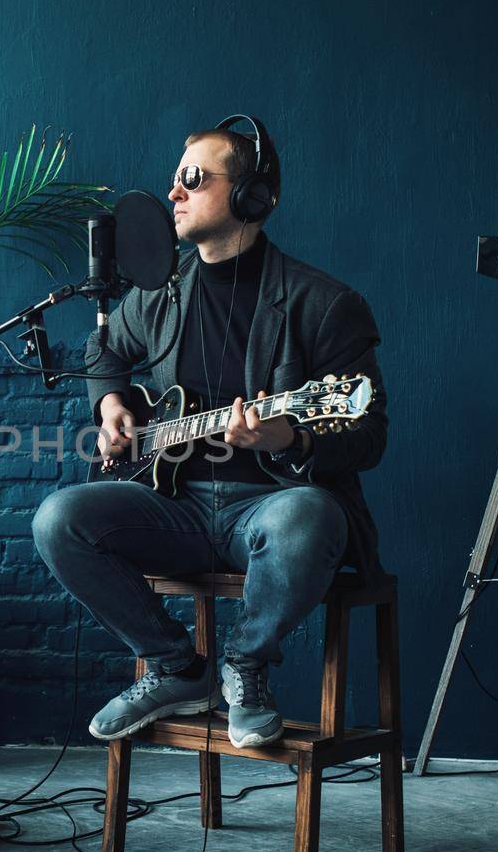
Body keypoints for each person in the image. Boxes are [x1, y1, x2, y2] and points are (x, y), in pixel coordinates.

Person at [30, 122, 387, 749]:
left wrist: (292, 440)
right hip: (178, 508)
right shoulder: (163, 293)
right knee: (58, 518)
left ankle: (246, 670)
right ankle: (175, 666)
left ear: (251, 196)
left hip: (269, 510)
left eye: (194, 178)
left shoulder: (323, 303)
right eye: (175, 178)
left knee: (308, 515)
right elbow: (102, 347)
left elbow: (369, 435)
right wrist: (110, 401)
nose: (175, 192)